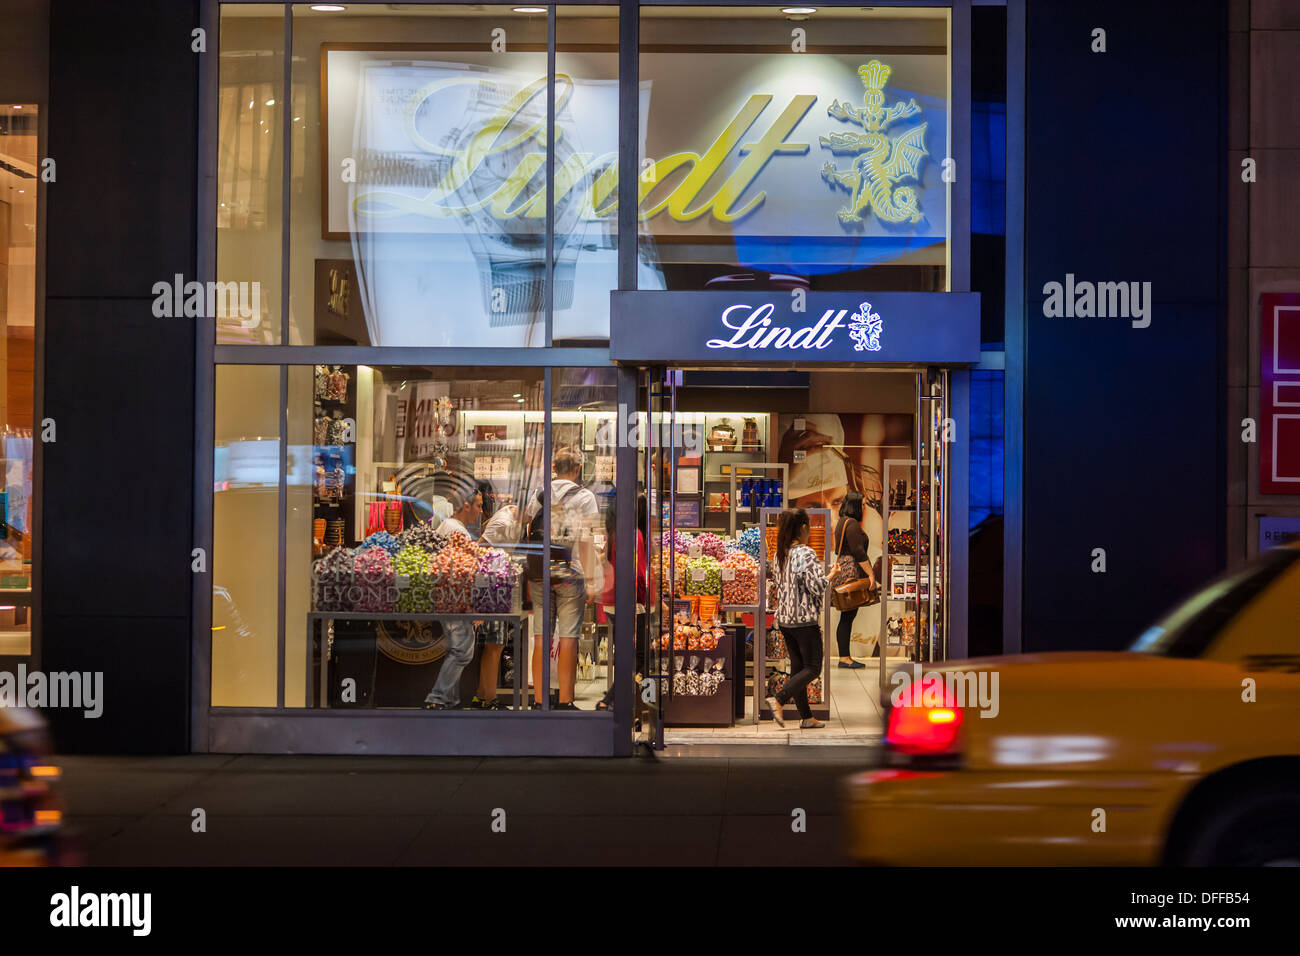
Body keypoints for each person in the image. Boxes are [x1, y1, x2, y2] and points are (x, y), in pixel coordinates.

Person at [525, 446, 603, 710]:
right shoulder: (585, 498)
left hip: (539, 572)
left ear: (554, 468)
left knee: (541, 637)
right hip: (571, 572)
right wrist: (592, 580)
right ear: (578, 469)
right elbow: (585, 540)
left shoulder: (538, 493)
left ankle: (538, 701)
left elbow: (526, 526)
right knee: (569, 638)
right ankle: (566, 701)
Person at [764, 508, 829, 729]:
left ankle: (806, 717)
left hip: (785, 620)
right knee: (813, 668)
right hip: (804, 621)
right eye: (809, 527)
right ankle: (779, 698)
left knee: (798, 668)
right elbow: (816, 587)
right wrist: (832, 575)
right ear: (803, 528)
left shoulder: (780, 554)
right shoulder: (806, 554)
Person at [422, 479, 483, 711]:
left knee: (455, 649)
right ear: (466, 506)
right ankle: (437, 698)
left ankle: (451, 702)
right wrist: (472, 606)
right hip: (455, 600)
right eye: (478, 505)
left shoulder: (445, 526)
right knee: (462, 652)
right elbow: (462, 572)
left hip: (444, 598)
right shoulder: (458, 532)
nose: (480, 511)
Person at [595, 494, 648, 714]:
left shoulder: (613, 534)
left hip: (614, 601)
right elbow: (636, 573)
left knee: (630, 654)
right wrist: (644, 599)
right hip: (629, 602)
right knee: (641, 656)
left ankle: (631, 704)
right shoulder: (633, 535)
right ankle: (625, 703)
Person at [832, 490, 876, 667]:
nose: (864, 508)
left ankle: (845, 656)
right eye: (863, 505)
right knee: (848, 615)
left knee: (847, 615)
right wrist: (871, 574)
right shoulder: (852, 525)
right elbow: (859, 552)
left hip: (844, 568)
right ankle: (844, 658)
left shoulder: (843, 522)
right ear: (855, 505)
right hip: (851, 570)